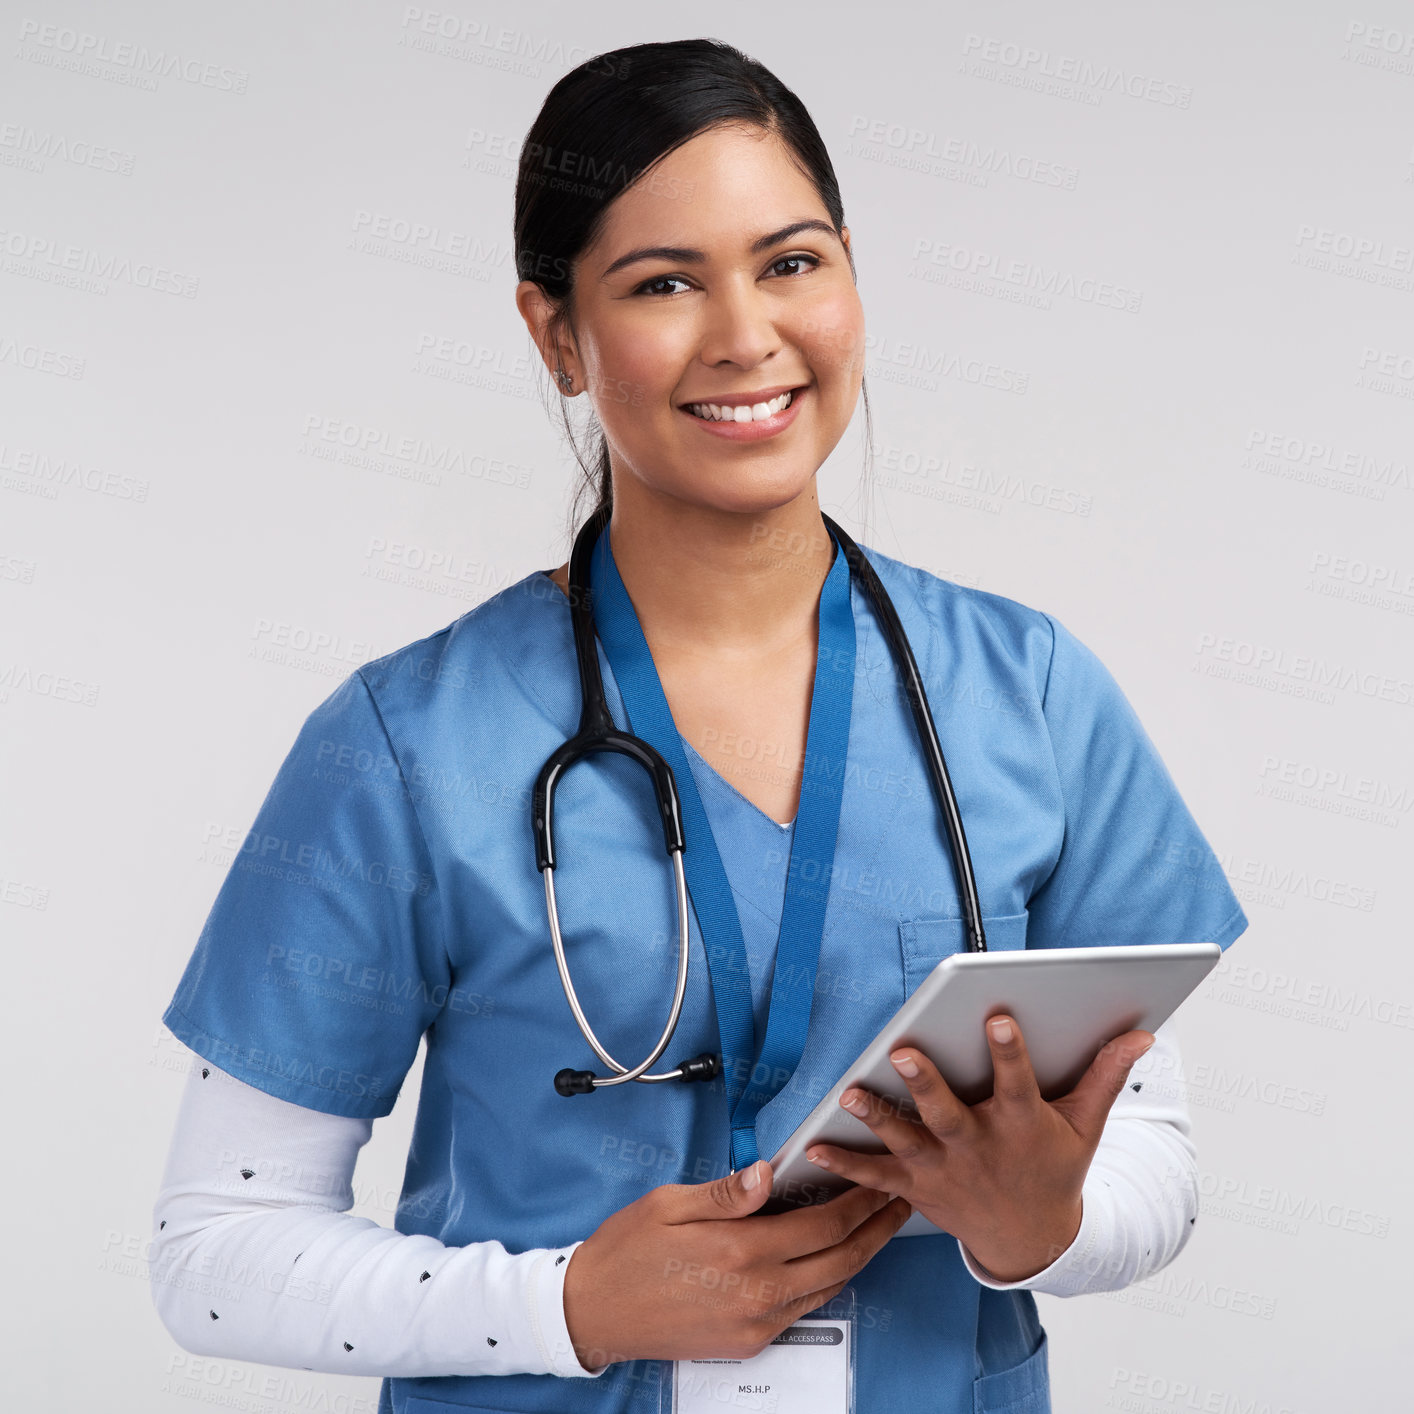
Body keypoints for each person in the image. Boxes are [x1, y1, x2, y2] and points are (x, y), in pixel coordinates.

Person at [149, 37, 1248, 1414]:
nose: (745, 335)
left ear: (848, 276)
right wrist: (568, 1306)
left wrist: (1040, 1223)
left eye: (790, 262)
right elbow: (215, 1250)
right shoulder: (407, 741)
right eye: (662, 282)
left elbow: (1150, 1156)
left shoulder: (1025, 692)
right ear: (556, 334)